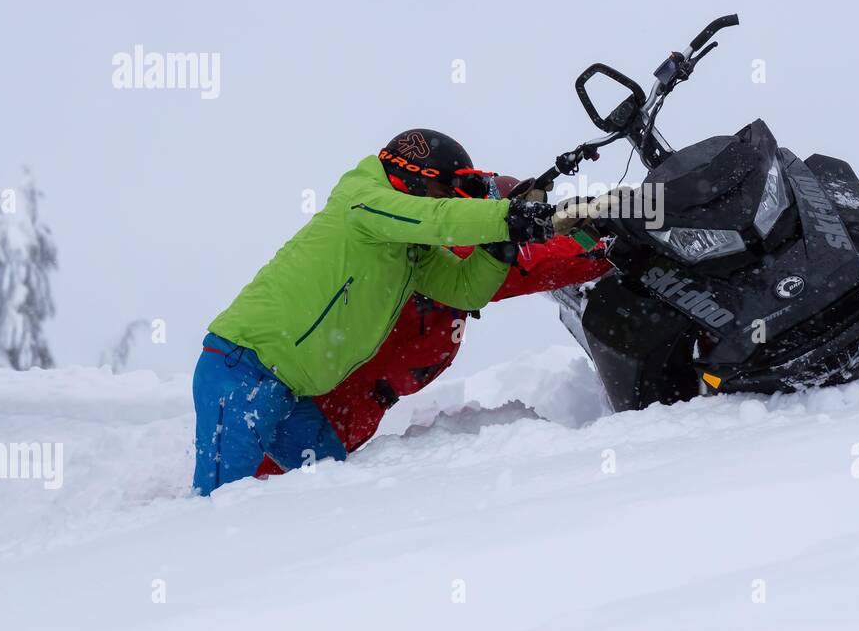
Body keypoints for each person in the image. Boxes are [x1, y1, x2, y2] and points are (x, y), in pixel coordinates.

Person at [191, 130, 555, 494]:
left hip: (288, 391)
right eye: (442, 192)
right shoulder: (363, 201)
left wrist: (502, 243)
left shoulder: (408, 248)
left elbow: (465, 289)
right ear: (418, 177)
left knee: (334, 486)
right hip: (240, 370)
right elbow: (435, 218)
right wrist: (508, 215)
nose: (443, 201)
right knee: (218, 503)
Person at [251, 176, 612, 472]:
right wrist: (605, 247)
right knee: (259, 504)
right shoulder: (446, 254)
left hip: (344, 420)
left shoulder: (455, 259)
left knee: (283, 508)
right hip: (311, 414)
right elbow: (526, 263)